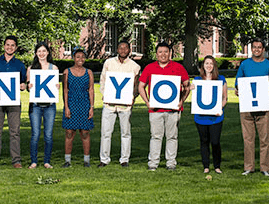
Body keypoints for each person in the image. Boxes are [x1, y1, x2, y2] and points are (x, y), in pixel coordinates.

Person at [138, 42, 190, 171]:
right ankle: (153, 163)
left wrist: (182, 101)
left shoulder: (178, 67)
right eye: (160, 52)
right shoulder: (149, 68)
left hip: (173, 109)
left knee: (172, 137)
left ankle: (171, 163)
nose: (163, 54)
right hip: (155, 109)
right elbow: (141, 86)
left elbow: (187, 86)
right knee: (156, 136)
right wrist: (147, 102)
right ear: (156, 54)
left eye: (166, 51)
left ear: (170, 53)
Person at [235, 38, 269, 177]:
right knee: (248, 138)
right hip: (247, 107)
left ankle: (264, 168)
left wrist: (267, 99)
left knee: (264, 139)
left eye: (259, 47)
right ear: (251, 49)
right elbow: (238, 84)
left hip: (263, 108)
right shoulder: (244, 64)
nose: (256, 50)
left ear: (263, 50)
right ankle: (249, 167)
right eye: (254, 47)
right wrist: (238, 91)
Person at [0, 35, 27, 170]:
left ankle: (16, 161)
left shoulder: (19, 64)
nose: (10, 47)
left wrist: (24, 85)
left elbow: (24, 81)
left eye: (12, 45)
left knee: (15, 132)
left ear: (16, 47)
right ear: (4, 46)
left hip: (13, 102)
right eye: (7, 45)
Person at [98, 40, 141, 168]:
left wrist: (133, 97)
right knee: (106, 132)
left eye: (125, 48)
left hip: (125, 105)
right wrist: (105, 94)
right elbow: (103, 80)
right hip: (109, 104)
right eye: (120, 48)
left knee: (125, 132)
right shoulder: (109, 63)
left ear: (129, 50)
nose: (123, 50)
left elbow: (136, 85)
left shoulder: (135, 66)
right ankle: (104, 159)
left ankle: (124, 159)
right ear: (117, 49)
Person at [192, 56, 227, 174]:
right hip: (201, 117)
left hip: (216, 117)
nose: (209, 66)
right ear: (203, 66)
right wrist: (190, 88)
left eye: (211, 63)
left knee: (215, 141)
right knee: (204, 141)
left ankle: (217, 166)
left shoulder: (221, 79)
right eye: (206, 63)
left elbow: (224, 98)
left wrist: (220, 108)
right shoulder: (197, 80)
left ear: (214, 66)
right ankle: (206, 166)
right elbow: (190, 93)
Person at [26, 42, 59, 169]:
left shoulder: (54, 69)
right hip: (35, 106)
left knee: (48, 135)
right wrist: (29, 86)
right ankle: (33, 161)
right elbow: (29, 88)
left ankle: (47, 161)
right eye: (39, 51)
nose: (41, 53)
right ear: (36, 53)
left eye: (44, 51)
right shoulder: (31, 69)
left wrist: (57, 87)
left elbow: (55, 87)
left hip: (50, 105)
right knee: (35, 134)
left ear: (48, 52)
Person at [62, 47, 95, 168]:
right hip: (71, 103)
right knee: (69, 132)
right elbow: (65, 90)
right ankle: (67, 160)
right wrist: (66, 107)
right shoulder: (67, 72)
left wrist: (91, 107)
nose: (80, 59)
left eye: (82, 57)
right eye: (77, 57)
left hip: (84, 103)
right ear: (73, 58)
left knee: (85, 132)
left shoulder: (89, 72)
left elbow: (91, 90)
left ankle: (86, 160)